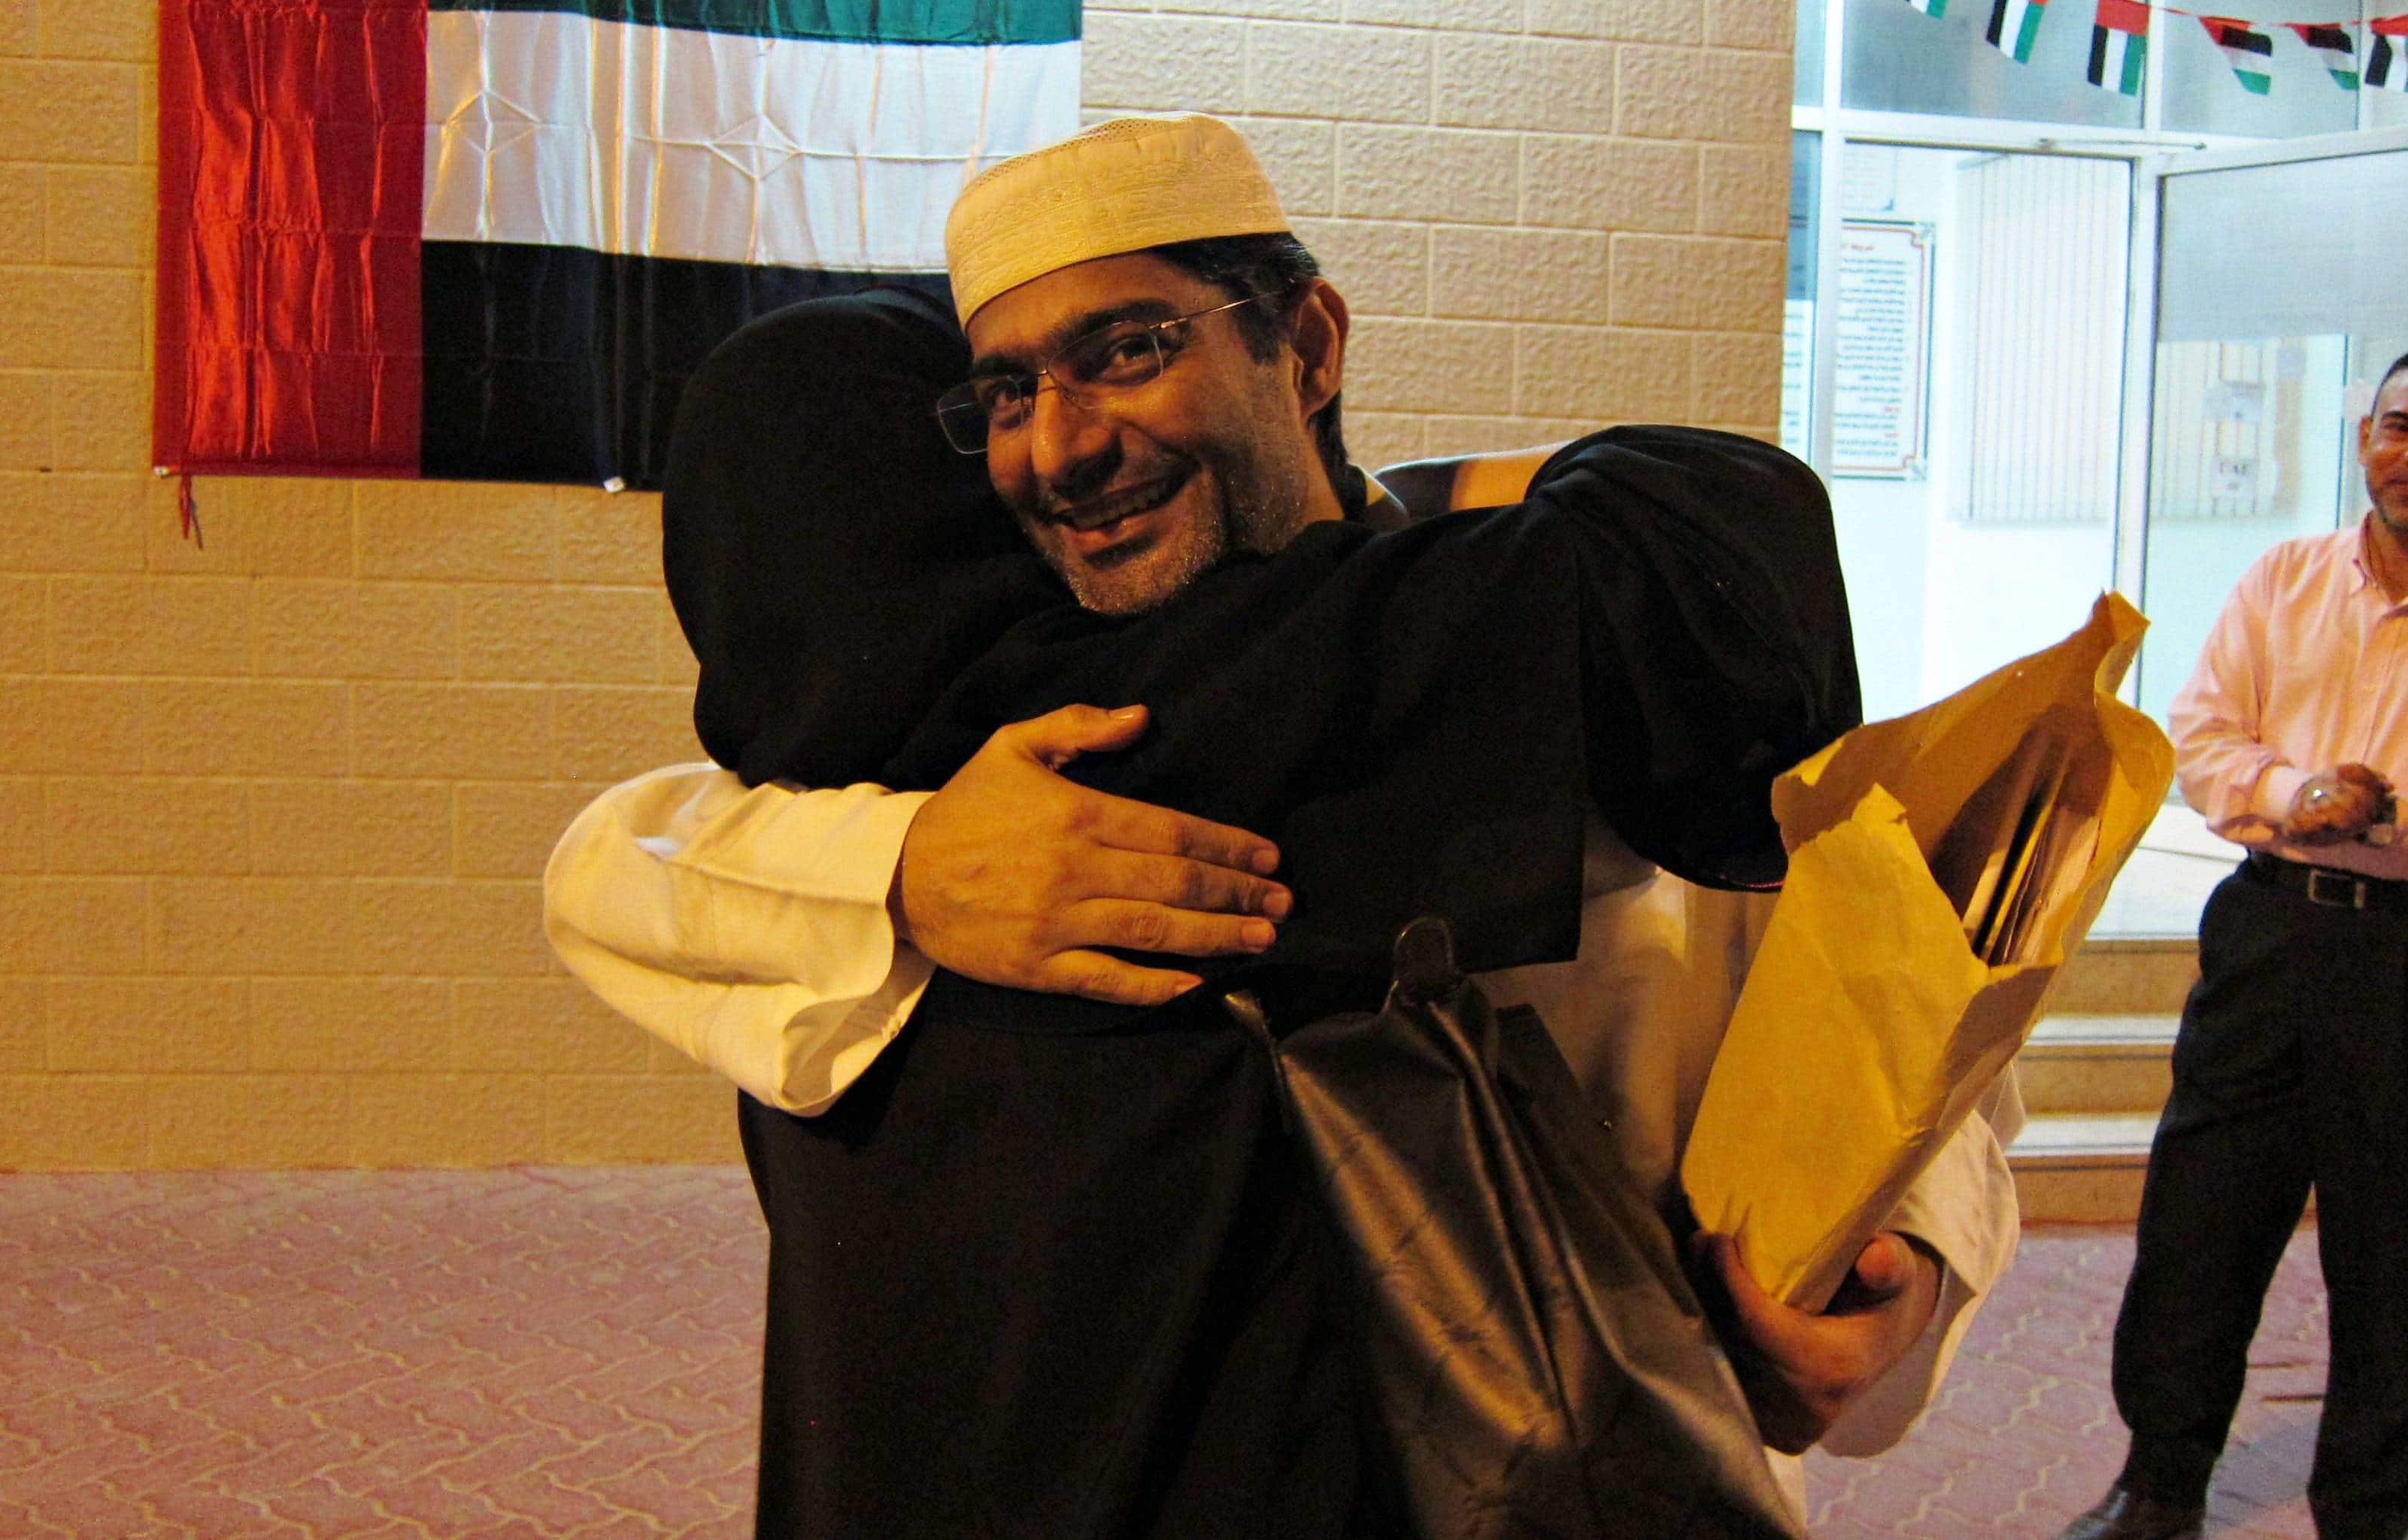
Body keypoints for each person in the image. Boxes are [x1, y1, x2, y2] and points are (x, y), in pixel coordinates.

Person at [547, 115, 2020, 1532]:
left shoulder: (1587, 654)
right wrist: (906, 870)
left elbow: (1900, 1028)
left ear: (1303, 343)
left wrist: (1904, 1288)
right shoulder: (982, 754)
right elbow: (623, 861)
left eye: (1127, 351)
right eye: (1007, 392)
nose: (1061, 445)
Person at [2055, 353, 2408, 1540]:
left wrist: (2380, 811)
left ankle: (2369, 1504)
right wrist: (2298, 790)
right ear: (2364, 437)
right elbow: (2201, 736)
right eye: (2399, 427)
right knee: (2201, 1214)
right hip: (2270, 931)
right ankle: (2160, 1483)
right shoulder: (2287, 579)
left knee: (2390, 1248)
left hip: (2403, 956)